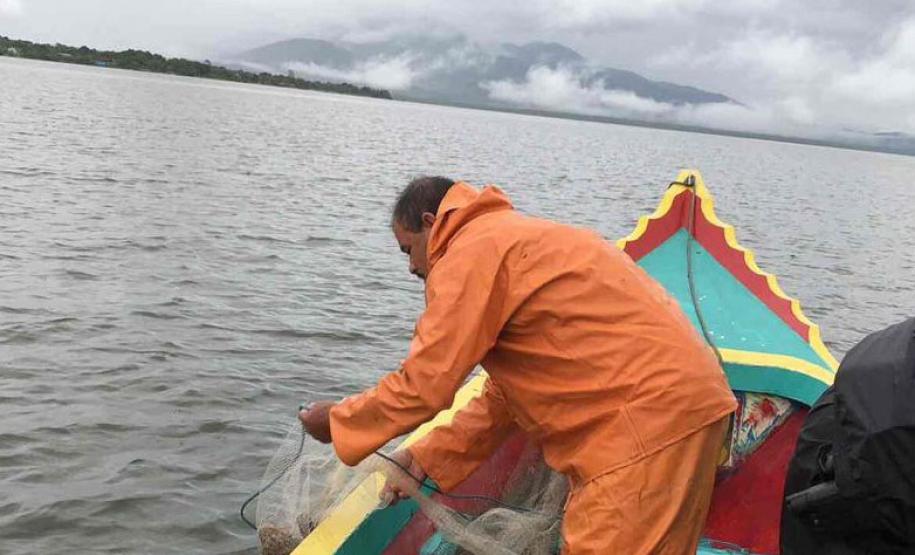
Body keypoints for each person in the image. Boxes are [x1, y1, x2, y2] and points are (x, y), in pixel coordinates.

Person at [299, 176, 737, 554]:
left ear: (432, 223)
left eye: (408, 249)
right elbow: (504, 399)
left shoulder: (467, 252)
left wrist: (337, 422)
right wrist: (425, 455)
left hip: (642, 429)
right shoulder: (516, 237)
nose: (413, 266)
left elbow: (424, 385)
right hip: (694, 410)